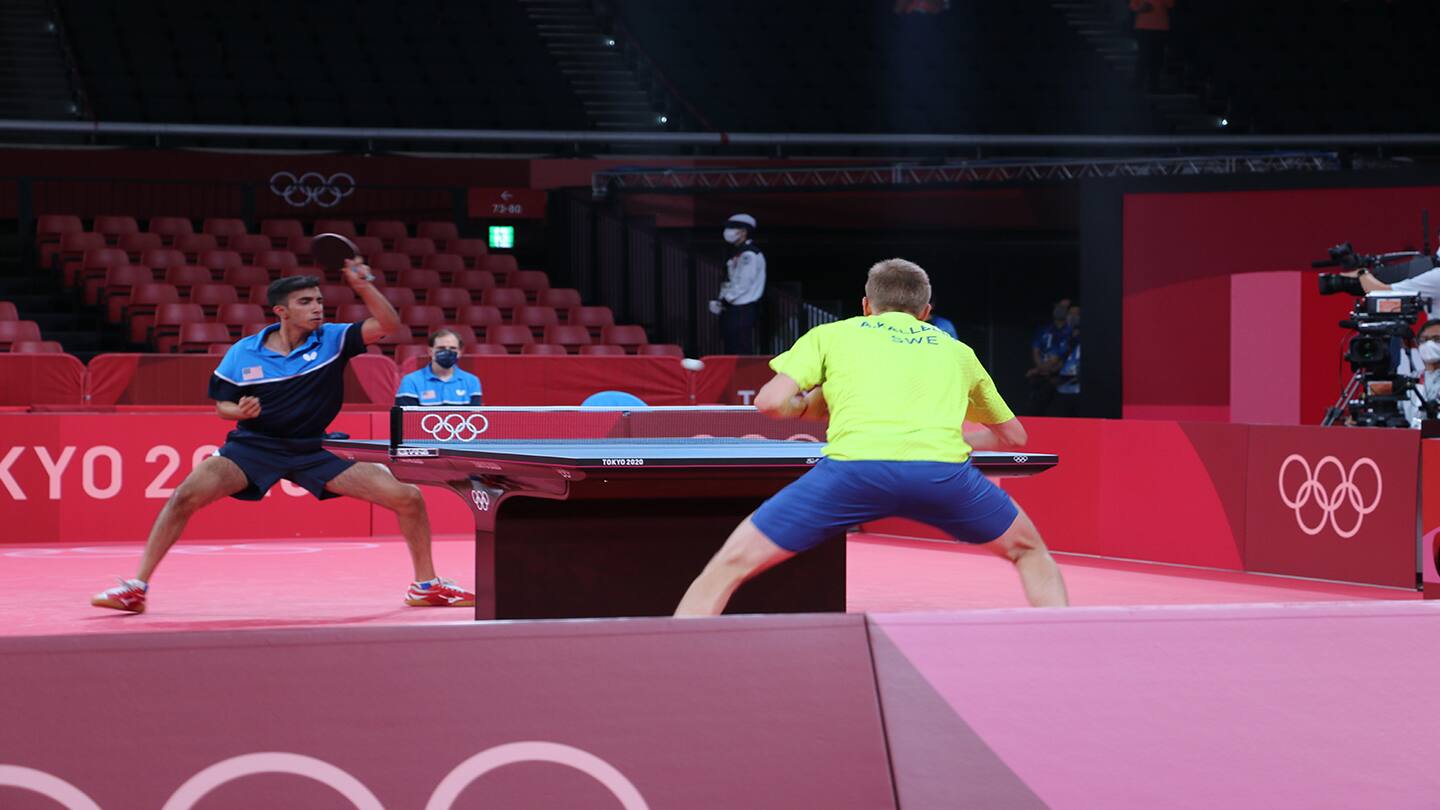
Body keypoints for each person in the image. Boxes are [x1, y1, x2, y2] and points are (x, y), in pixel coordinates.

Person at [675, 258, 1068, 616]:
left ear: (866, 305)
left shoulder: (831, 335)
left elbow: (770, 402)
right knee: (1030, 552)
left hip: (852, 472)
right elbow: (1013, 438)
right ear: (926, 312)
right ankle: (1066, 647)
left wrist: (807, 405)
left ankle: (673, 661)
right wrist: (950, 442)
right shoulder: (957, 351)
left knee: (727, 567)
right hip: (942, 475)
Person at [92, 262, 476, 613]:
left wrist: (364, 287)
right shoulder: (244, 352)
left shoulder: (333, 339)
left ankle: (426, 586)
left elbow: (388, 325)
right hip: (253, 446)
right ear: (281, 311)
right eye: (305, 302)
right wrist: (238, 412)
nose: (317, 308)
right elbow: (221, 405)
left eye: (319, 300)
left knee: (408, 497)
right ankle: (136, 588)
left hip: (314, 447)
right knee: (184, 496)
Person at [708, 213, 766, 355]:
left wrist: (726, 299)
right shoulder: (738, 252)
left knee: (740, 348)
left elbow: (744, 283)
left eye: (732, 227)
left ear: (744, 232)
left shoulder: (749, 254)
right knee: (731, 346)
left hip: (743, 308)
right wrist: (721, 300)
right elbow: (731, 281)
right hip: (734, 307)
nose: (728, 231)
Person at [395, 328, 482, 406]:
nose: (447, 352)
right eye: (441, 348)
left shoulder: (472, 381)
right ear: (430, 351)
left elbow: (474, 417)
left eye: (452, 348)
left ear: (459, 352)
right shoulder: (411, 381)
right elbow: (406, 417)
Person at [1027, 298, 1072, 415]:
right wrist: (1040, 369)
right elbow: (1035, 351)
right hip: (1041, 376)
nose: (1059, 310)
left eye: (1063, 308)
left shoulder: (1070, 332)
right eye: (1057, 306)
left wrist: (1039, 370)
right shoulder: (1043, 330)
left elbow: (1061, 357)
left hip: (1060, 378)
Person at [1131, 0, 1175, 91]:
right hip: (1151, 26)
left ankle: (1147, 83)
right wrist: (1140, 8)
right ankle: (1143, 83)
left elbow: (1171, 4)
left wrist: (1139, 8)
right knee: (1149, 56)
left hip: (1155, 26)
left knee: (1153, 57)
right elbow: (1133, 5)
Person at [1049, 305, 1081, 417]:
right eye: (1070, 314)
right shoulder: (1062, 336)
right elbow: (1056, 360)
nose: (1073, 317)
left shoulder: (1087, 337)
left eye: (1076, 314)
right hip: (1062, 390)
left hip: (1079, 391)